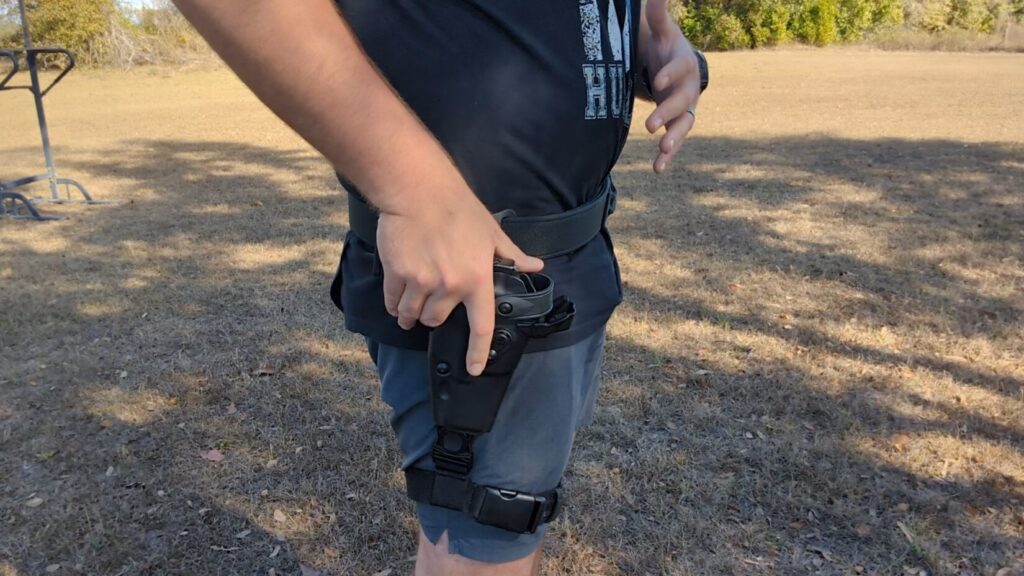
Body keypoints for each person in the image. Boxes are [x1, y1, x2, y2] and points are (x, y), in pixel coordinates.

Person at [172, 1, 705, 574]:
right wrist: (411, 190)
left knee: (497, 519)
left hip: (571, 261)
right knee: (481, 536)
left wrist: (658, 43)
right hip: (474, 282)